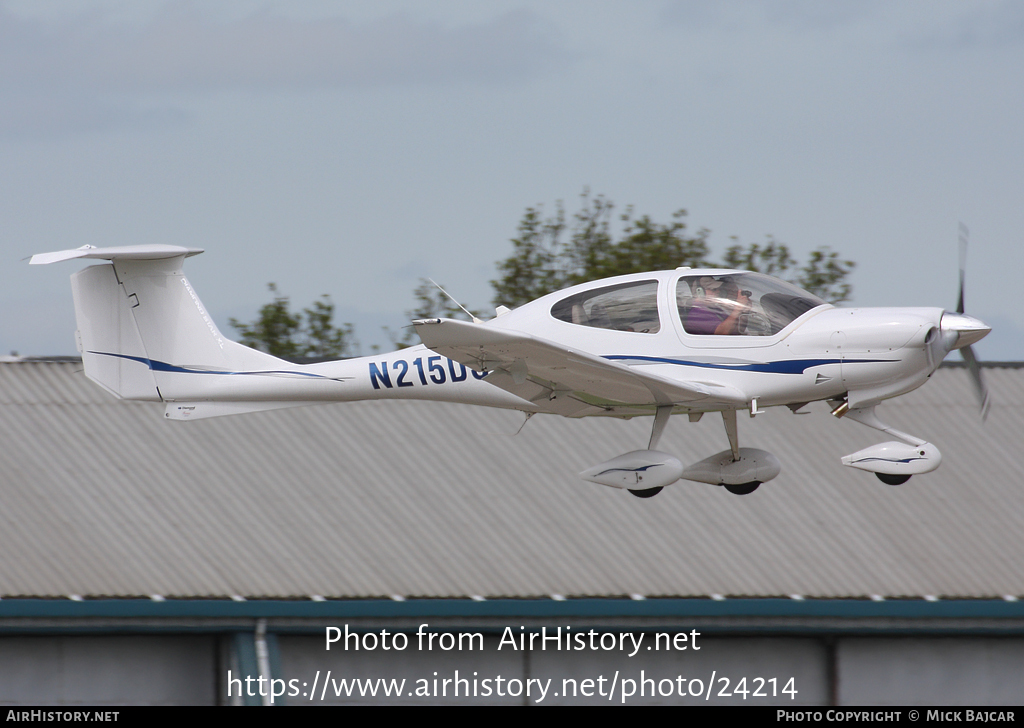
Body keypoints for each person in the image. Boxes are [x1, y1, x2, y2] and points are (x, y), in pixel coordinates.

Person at [684, 277, 751, 335]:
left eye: (718, 289)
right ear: (700, 292)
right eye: (714, 289)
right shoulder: (698, 313)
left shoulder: (715, 309)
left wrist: (745, 311)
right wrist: (738, 309)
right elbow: (722, 332)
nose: (718, 291)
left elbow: (736, 330)